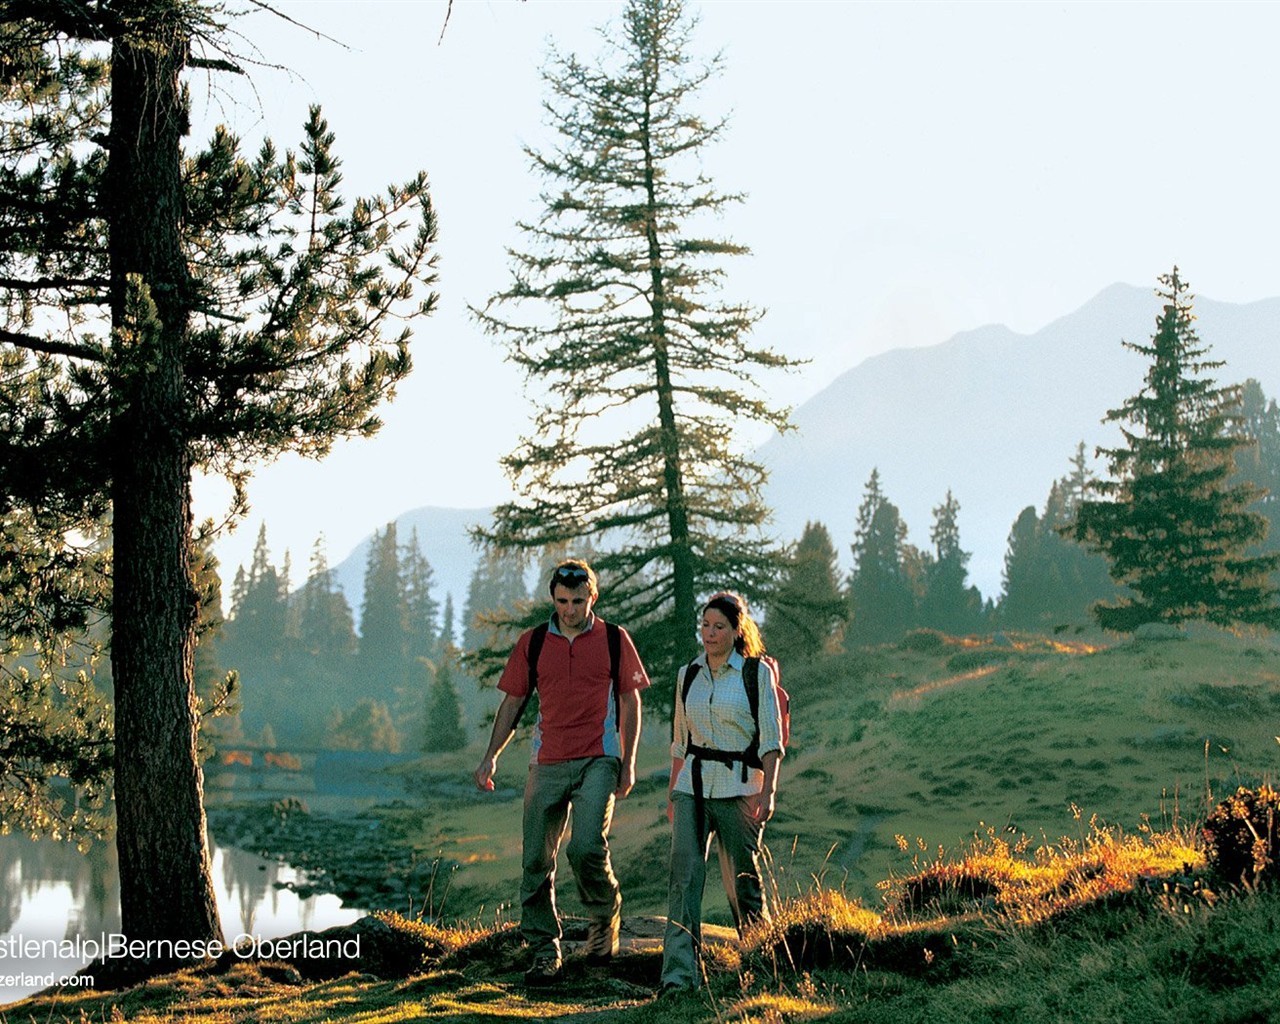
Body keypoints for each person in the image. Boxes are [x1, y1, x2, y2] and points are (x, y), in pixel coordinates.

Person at [474, 559, 650, 986]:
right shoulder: (533, 642)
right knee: (536, 858)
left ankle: (603, 918)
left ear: (593, 596)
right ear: (552, 598)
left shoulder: (613, 639)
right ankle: (543, 948)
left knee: (586, 847)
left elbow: (630, 701)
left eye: (576, 601)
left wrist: (627, 762)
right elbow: (513, 703)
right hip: (548, 760)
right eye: (560, 601)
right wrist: (490, 756)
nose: (568, 610)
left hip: (599, 758)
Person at [660, 591, 784, 993]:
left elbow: (770, 738)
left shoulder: (755, 673)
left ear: (736, 630)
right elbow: (680, 741)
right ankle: (678, 977)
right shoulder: (688, 674)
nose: (709, 634)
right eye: (705, 625)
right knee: (684, 878)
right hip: (690, 787)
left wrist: (769, 792)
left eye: (719, 627)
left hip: (739, 788)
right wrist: (671, 792)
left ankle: (762, 968)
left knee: (742, 882)